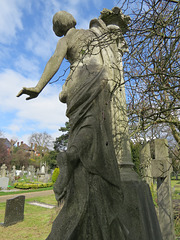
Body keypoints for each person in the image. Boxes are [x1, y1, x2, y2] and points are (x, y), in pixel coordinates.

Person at [17, 9, 129, 240]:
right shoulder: (92, 32)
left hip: (78, 80)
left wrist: (38, 87)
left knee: (83, 122)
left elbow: (54, 60)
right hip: (98, 77)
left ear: (58, 27)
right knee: (94, 124)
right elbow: (109, 53)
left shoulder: (65, 40)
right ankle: (75, 154)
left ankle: (72, 155)